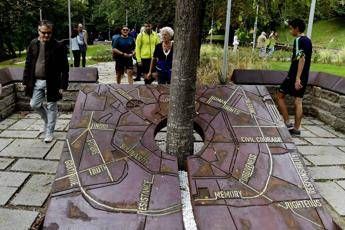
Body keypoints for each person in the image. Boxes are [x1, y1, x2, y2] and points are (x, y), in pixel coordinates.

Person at [23, 20, 69, 143]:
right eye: (44, 32)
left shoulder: (58, 46)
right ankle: (47, 121)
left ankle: (49, 132)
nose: (46, 35)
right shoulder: (33, 44)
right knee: (34, 104)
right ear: (38, 31)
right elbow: (28, 64)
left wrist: (63, 85)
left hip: (53, 82)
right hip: (36, 81)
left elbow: (65, 67)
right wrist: (25, 81)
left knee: (52, 106)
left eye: (49, 33)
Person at [276, 19, 312, 136]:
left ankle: (287, 123)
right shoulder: (308, 41)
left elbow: (301, 59)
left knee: (280, 96)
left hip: (294, 76)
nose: (290, 30)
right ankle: (296, 129)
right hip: (305, 75)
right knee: (298, 101)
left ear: (297, 28)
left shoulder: (298, 40)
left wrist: (297, 78)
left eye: (291, 28)